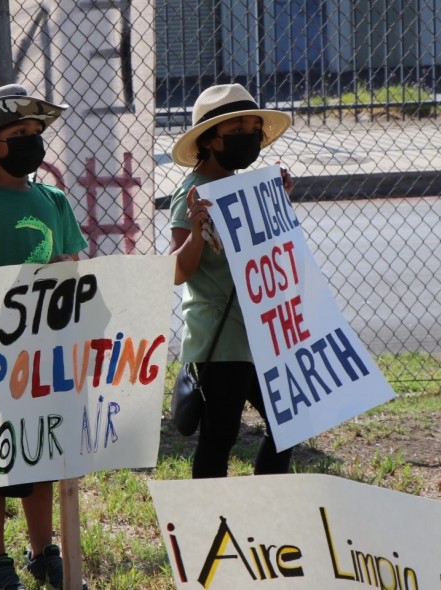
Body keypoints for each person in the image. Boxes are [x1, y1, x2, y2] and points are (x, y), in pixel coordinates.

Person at [0, 84, 88, 590]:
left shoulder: (55, 200)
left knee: (41, 451)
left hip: (45, 356)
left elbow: (73, 265)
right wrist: (16, 291)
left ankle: (42, 550)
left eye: (35, 133)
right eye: (18, 133)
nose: (31, 141)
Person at [169, 83, 295, 478]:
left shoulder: (251, 189)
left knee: (289, 424)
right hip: (220, 341)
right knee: (219, 439)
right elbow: (177, 270)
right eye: (237, 130)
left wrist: (278, 203)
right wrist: (194, 230)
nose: (249, 139)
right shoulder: (192, 193)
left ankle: (264, 509)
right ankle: (210, 524)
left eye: (253, 131)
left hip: (261, 334)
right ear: (209, 141)